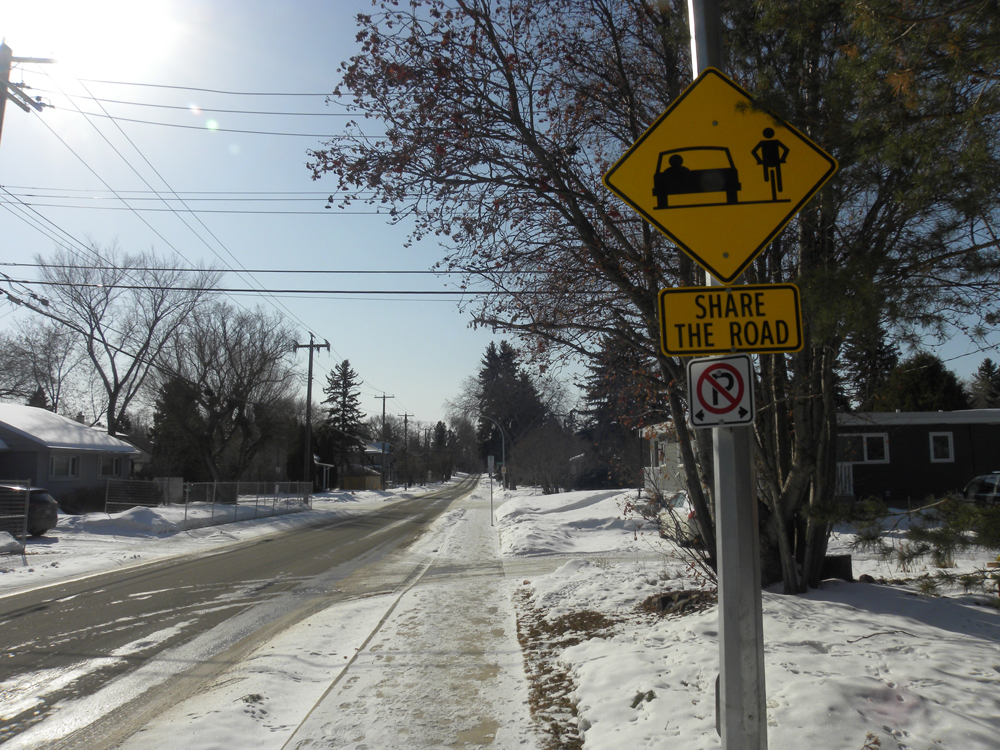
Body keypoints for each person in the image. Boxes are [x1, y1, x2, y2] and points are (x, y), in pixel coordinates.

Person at [751, 127, 789, 201]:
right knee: (766, 178)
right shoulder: (765, 142)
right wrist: (759, 160)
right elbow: (754, 151)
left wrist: (782, 158)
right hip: (769, 162)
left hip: (773, 161)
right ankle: (775, 192)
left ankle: (779, 191)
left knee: (778, 179)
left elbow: (786, 149)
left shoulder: (773, 142)